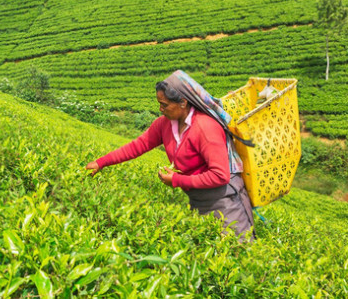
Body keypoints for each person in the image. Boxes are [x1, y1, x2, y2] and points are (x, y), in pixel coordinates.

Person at [85, 70, 254, 241]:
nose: (160, 109)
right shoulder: (164, 125)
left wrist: (176, 180)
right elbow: (137, 146)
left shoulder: (205, 128)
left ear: (182, 102)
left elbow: (220, 176)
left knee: (236, 248)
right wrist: (101, 163)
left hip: (225, 201)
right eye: (159, 103)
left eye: (164, 105)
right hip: (197, 198)